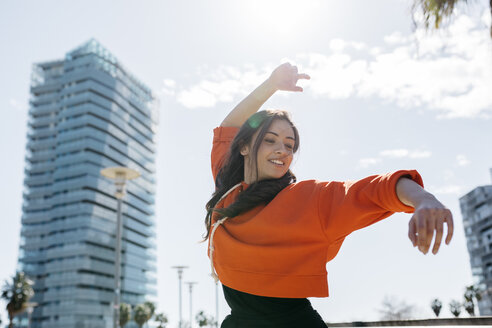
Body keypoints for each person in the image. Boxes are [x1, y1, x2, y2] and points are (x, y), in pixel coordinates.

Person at [204, 62, 454, 327]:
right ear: (243, 147)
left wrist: (424, 200)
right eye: (270, 140)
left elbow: (375, 189)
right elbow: (229, 126)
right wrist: (271, 85)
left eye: (289, 145)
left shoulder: (309, 199)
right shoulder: (228, 189)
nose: (282, 150)